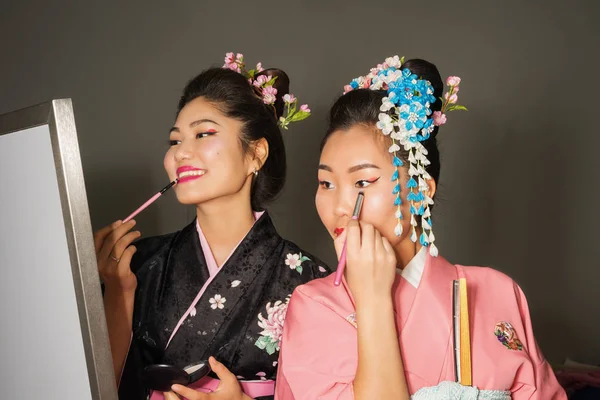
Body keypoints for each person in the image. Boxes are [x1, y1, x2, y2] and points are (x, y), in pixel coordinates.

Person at [275, 56, 567, 399]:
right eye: (325, 184)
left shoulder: (497, 291)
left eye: (363, 182)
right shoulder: (314, 306)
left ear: (419, 190)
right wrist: (371, 301)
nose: (339, 207)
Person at [94, 52, 329, 400]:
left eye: (203, 134)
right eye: (175, 141)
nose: (181, 154)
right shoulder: (138, 265)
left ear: (256, 154)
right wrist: (118, 293)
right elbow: (99, 387)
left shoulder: (310, 279)